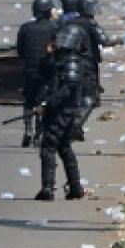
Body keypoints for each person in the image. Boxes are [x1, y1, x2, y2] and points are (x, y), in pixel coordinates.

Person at [35, 24, 87, 201]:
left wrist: (48, 103)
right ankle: (75, 187)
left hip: (64, 111)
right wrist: (49, 54)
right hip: (58, 109)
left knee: (48, 146)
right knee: (64, 148)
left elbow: (68, 89)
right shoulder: (60, 58)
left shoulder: (72, 61)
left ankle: (48, 188)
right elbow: (43, 71)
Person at [72, 0, 123, 134]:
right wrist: (119, 40)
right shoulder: (91, 24)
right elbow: (104, 41)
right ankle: (77, 123)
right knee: (90, 97)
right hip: (87, 65)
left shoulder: (70, 22)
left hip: (69, 64)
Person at [16, 0, 57, 147]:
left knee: (28, 101)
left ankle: (28, 129)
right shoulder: (54, 28)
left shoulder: (26, 28)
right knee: (43, 101)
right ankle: (39, 133)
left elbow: (20, 50)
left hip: (29, 70)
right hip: (47, 71)